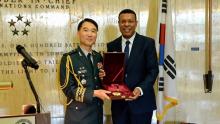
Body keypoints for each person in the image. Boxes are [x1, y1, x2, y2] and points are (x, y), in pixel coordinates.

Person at [107, 9, 159, 124]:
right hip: (119, 106)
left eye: (130, 21)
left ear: (136, 23)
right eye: (123, 21)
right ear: (119, 23)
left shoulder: (148, 43)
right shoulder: (112, 45)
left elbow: (153, 70)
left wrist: (140, 89)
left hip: (142, 104)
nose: (126, 24)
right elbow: (112, 73)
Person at [60, 18, 110, 124]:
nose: (90, 34)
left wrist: (103, 79)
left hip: (97, 114)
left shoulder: (98, 57)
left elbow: (99, 84)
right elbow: (67, 89)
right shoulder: (69, 58)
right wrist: (94, 93)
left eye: (93, 31)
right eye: (85, 30)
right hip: (79, 116)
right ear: (78, 33)